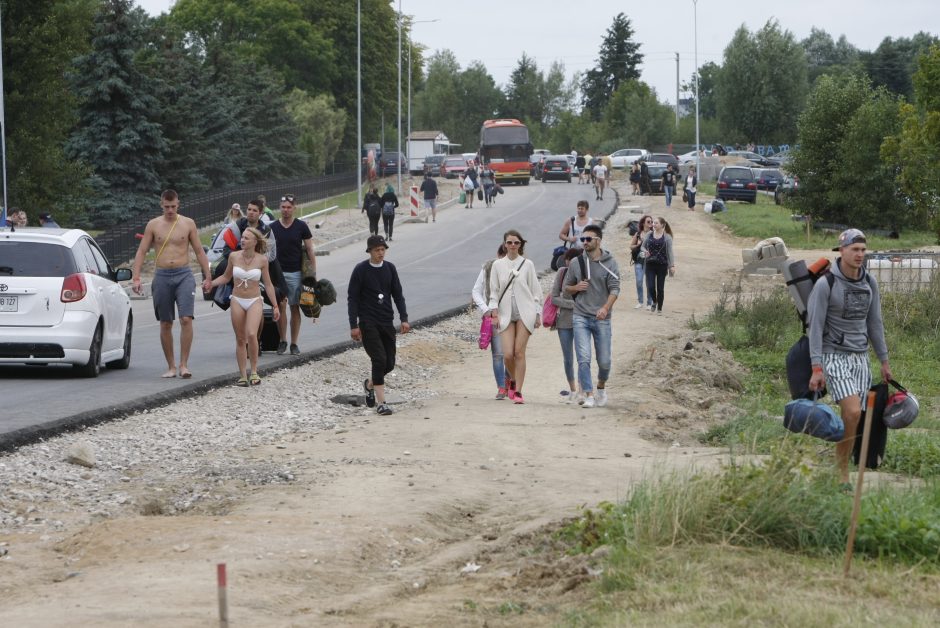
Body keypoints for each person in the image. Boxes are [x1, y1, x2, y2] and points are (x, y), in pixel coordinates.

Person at [808, 228, 892, 483]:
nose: (860, 255)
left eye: (863, 250)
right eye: (854, 249)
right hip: (834, 354)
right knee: (854, 413)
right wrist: (816, 366)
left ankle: (839, 462)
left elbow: (875, 323)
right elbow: (815, 326)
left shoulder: (870, 282)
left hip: (860, 357)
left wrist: (884, 361)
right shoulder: (826, 284)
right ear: (841, 251)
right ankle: (842, 472)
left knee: (853, 416)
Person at [132, 189, 213, 379]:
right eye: (167, 206)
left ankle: (184, 364)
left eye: (173, 206)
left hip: (183, 274)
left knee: (186, 319)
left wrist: (207, 276)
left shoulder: (187, 223)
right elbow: (142, 251)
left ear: (178, 204)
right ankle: (171, 366)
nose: (170, 210)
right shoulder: (153, 225)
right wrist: (136, 277)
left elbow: (199, 250)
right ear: (161, 205)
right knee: (166, 322)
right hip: (162, 276)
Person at [209, 228, 281, 386]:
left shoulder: (262, 260)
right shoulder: (234, 256)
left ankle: (254, 371)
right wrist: (211, 283)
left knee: (251, 334)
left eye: (246, 238)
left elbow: (268, 284)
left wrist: (275, 305)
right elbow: (226, 277)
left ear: (255, 242)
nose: (242, 240)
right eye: (242, 238)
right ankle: (242, 375)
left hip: (254, 299)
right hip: (237, 299)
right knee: (240, 338)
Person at [348, 235, 410, 416]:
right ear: (370, 251)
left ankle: (369, 384)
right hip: (368, 322)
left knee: (389, 363)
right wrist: (354, 324)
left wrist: (404, 318)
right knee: (379, 359)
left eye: (383, 249)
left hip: (386, 320)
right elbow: (353, 298)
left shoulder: (390, 268)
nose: (380, 253)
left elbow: (398, 294)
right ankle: (381, 403)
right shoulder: (361, 270)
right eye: (377, 250)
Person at [564, 224, 620, 408]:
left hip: (602, 318)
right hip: (580, 315)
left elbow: (615, 289)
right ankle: (588, 394)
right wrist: (576, 287)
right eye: (582, 239)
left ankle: (601, 387)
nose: (585, 242)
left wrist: (605, 308)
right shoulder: (576, 262)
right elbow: (566, 287)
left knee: (604, 361)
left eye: (589, 239)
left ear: (598, 240)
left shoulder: (610, 262)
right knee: (583, 357)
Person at [487, 230, 542, 404]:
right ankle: (513, 380)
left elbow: (536, 291)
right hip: (505, 313)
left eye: (516, 243)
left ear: (521, 245)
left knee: (519, 352)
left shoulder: (528, 264)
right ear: (504, 244)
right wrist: (493, 312)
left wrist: (538, 313)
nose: (512, 246)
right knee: (508, 354)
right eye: (509, 242)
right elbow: (493, 291)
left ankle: (518, 391)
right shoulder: (497, 265)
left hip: (525, 312)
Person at [270, 193, 317, 356]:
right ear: (279, 208)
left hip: (296, 273)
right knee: (279, 306)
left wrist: (313, 272)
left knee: (295, 307)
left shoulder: (301, 226)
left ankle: (294, 343)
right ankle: (283, 340)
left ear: (294, 208)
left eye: (289, 207)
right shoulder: (273, 227)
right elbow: (267, 251)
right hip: (278, 274)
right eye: (283, 207)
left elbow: (310, 249)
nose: (286, 210)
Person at [471, 244, 508, 399]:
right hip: (493, 318)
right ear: (498, 254)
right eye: (503, 254)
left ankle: (510, 381)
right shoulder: (488, 268)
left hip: (512, 316)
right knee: (498, 354)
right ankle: (501, 387)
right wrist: (486, 310)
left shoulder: (520, 268)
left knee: (513, 353)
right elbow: (476, 291)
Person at [551, 247, 582, 403]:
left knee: (583, 357)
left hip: (583, 321)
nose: (570, 262)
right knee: (568, 358)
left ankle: (583, 389)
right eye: (569, 259)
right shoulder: (562, 272)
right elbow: (554, 298)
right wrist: (573, 304)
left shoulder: (585, 274)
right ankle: (573, 389)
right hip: (563, 321)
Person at [641, 217, 676, 314]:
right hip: (650, 264)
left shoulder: (667, 237)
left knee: (660, 288)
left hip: (662, 266)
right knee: (651, 286)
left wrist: (671, 266)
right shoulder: (649, 234)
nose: (653, 224)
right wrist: (645, 251)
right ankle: (655, 301)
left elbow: (670, 252)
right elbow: (642, 247)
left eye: (656, 223)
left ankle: (659, 308)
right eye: (653, 223)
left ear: (662, 225)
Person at [630, 215, 654, 309]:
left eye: (651, 222)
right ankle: (640, 301)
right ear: (643, 223)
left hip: (650, 262)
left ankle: (649, 303)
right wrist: (638, 245)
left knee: (649, 282)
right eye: (648, 222)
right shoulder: (638, 234)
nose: (650, 224)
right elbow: (631, 246)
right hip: (639, 261)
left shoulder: (654, 234)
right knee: (639, 281)